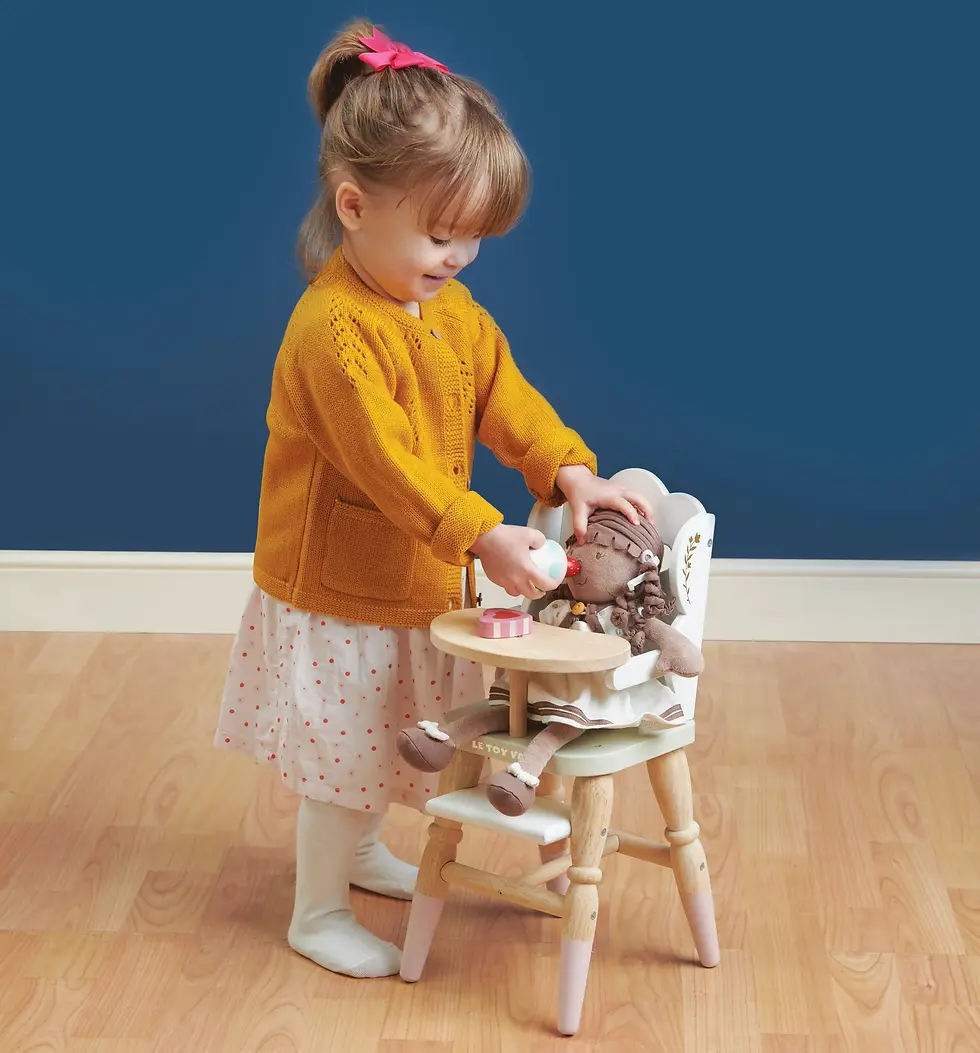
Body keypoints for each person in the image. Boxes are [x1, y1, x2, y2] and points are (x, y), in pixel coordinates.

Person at [214, 19, 652, 979]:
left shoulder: (448, 308)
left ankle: (362, 850)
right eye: (443, 236)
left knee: (381, 728)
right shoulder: (333, 331)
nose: (460, 258)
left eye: (475, 240)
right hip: (339, 584)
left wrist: (568, 469)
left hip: (409, 572)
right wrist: (482, 532)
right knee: (344, 750)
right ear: (354, 206)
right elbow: (386, 464)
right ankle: (317, 909)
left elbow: (504, 394)